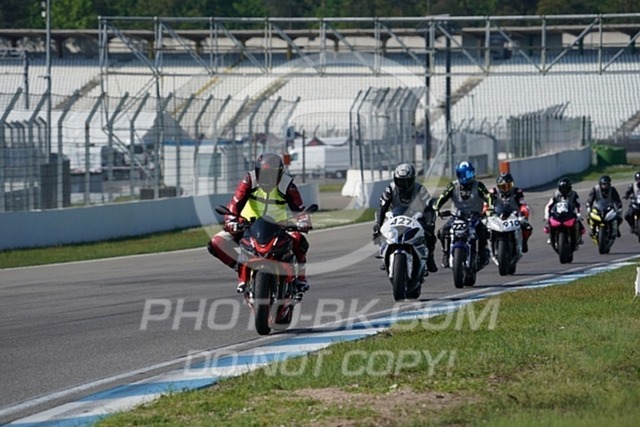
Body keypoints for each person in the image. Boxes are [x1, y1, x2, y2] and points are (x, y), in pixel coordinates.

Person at [207, 153, 311, 295]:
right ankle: (241, 268)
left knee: (299, 240)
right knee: (216, 242)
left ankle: (301, 278)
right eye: (264, 175)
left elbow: (299, 209)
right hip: (248, 225)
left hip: (279, 227)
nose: (268, 179)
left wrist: (303, 221)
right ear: (257, 172)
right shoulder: (249, 180)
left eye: (272, 175)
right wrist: (231, 220)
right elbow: (234, 204)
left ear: (280, 174)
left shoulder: (288, 185)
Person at [372, 162, 439, 273]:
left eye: (407, 181)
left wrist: (430, 224)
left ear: (412, 180)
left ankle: (429, 258)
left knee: (429, 235)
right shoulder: (390, 189)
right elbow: (382, 208)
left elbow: (429, 209)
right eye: (400, 181)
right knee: (380, 232)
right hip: (396, 217)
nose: (403, 185)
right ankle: (385, 256)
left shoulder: (420, 189)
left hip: (417, 218)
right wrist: (378, 223)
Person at [433, 160, 492, 269]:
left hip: (474, 217)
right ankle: (446, 253)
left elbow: (488, 196)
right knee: (442, 232)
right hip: (456, 217)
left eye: (469, 174)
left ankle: (482, 253)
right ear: (458, 175)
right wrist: (436, 208)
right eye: (463, 174)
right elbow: (442, 197)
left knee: (483, 232)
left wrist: (490, 208)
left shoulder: (478, 185)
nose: (466, 177)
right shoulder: (453, 186)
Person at [488, 172, 533, 253]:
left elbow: (522, 204)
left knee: (527, 227)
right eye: (502, 187)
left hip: (513, 215)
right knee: (483, 229)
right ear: (498, 186)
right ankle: (485, 248)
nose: (505, 189)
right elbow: (487, 204)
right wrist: (487, 211)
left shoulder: (517, 191)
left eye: (508, 186)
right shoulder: (493, 192)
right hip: (497, 215)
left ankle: (524, 242)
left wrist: (523, 211)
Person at [543, 177, 585, 245]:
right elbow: (549, 205)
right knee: (548, 224)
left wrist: (579, 213)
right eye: (562, 188)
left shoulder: (574, 194)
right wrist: (547, 214)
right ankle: (551, 237)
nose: (564, 190)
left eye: (566, 188)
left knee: (580, 226)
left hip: (570, 213)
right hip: (558, 213)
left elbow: (579, 204)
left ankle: (579, 237)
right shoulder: (556, 194)